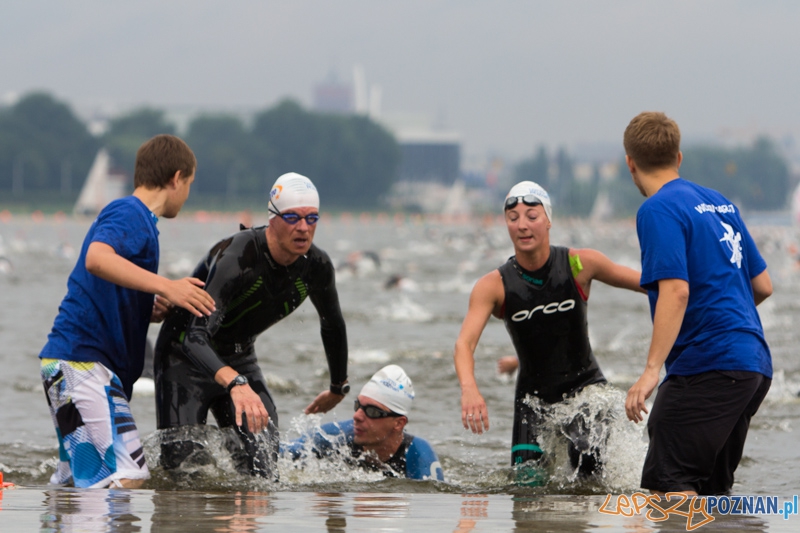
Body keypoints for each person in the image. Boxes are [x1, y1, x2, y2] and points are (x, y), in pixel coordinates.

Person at [39, 134, 216, 489]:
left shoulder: (139, 219)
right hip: (83, 363)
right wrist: (167, 286)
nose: (187, 194)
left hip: (73, 363)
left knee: (77, 482)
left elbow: (105, 281)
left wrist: (144, 306)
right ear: (176, 178)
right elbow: (97, 259)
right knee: (128, 475)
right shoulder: (131, 213)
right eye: (190, 183)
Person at [154, 172, 349, 478]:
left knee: (263, 470)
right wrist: (236, 383)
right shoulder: (238, 257)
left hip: (238, 357)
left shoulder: (317, 267)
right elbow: (194, 336)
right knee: (185, 474)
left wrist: (338, 386)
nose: (303, 227)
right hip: (184, 356)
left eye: (311, 218)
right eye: (292, 217)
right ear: (272, 218)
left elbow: (332, 324)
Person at [623, 111, 773, 496]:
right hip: (753, 364)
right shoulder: (719, 203)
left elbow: (676, 291)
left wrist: (651, 371)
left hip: (709, 365)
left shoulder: (657, 209)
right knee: (710, 493)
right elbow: (762, 285)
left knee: (668, 487)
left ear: (630, 162)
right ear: (678, 157)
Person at [454, 181, 643, 478]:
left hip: (586, 392)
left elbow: (650, 285)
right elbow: (464, 344)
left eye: (532, 216)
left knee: (585, 475)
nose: (522, 225)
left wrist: (694, 292)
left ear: (548, 220)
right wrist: (469, 389)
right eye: (513, 218)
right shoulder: (493, 286)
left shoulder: (579, 263)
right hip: (533, 401)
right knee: (525, 487)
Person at [283, 365, 444, 481]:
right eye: (358, 406)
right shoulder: (335, 438)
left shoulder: (419, 455)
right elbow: (283, 452)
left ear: (398, 424)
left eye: (372, 411)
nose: (357, 416)